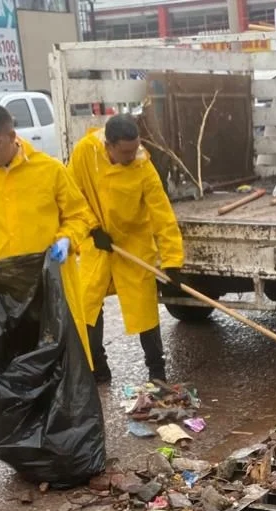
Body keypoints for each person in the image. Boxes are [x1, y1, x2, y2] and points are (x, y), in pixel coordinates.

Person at [0, 102, 95, 339]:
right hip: (6, 289)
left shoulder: (49, 170)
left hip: (52, 282)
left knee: (61, 351)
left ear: (12, 136)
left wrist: (66, 240)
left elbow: (79, 215)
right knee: (16, 353)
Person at [68, 114, 184, 384]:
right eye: (126, 152)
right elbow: (71, 193)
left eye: (135, 148)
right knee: (87, 302)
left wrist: (172, 262)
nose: (133, 156)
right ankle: (96, 364)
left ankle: (156, 370)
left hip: (133, 243)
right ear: (108, 146)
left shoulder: (143, 167)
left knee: (144, 307)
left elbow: (162, 216)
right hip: (98, 242)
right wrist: (92, 227)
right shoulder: (85, 152)